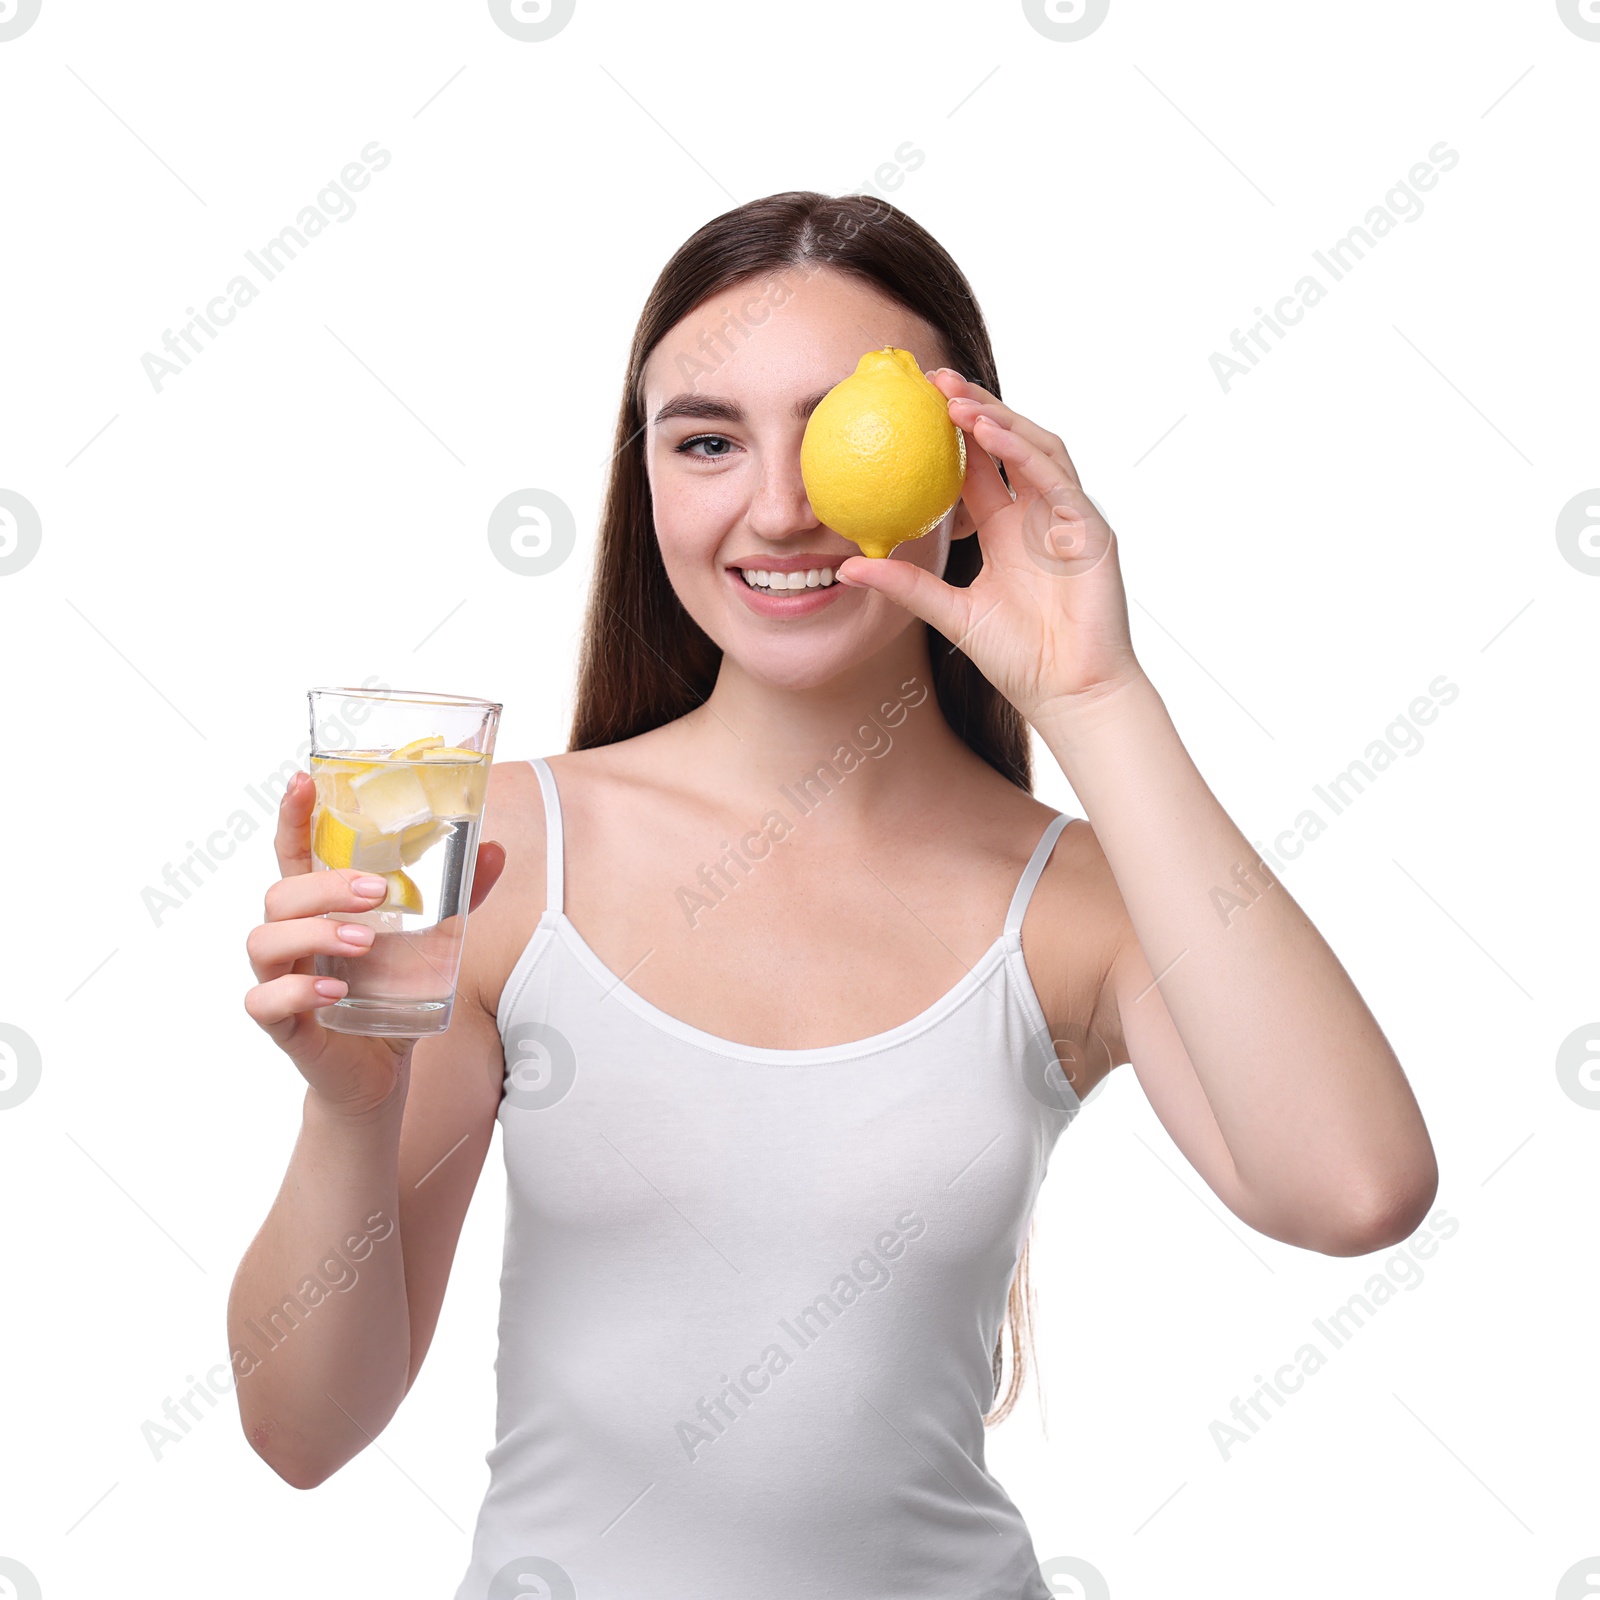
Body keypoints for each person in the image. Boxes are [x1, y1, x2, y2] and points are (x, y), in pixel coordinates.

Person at [229, 191, 1438, 1597]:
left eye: (838, 435)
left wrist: (1094, 694)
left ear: (965, 465)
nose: (783, 506)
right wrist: (348, 1108)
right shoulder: (500, 856)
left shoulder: (1077, 907)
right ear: (648, 484)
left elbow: (1355, 1191)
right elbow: (302, 1432)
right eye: (707, 441)